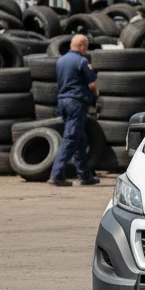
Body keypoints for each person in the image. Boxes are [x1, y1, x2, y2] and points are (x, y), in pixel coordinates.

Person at [49, 34, 100, 188]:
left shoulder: (60, 61)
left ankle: (85, 175)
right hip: (76, 102)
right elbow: (91, 82)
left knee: (80, 139)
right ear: (82, 46)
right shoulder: (81, 61)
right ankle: (56, 175)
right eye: (86, 47)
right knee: (71, 138)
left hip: (63, 101)